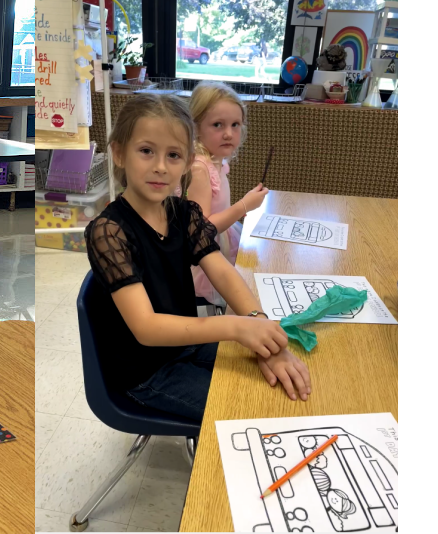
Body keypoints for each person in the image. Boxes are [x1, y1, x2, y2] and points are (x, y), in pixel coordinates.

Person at [84, 94, 310, 422]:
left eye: (173, 155)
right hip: (146, 373)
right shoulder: (108, 232)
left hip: (186, 346)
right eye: (146, 151)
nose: (161, 166)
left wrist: (259, 327)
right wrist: (235, 326)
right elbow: (146, 328)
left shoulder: (184, 214)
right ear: (119, 153)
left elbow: (222, 272)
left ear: (188, 160)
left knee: (276, 379)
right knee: (254, 409)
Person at [185, 81, 269, 308]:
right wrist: (244, 206)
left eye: (235, 125)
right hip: (204, 256)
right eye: (217, 125)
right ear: (195, 127)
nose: (228, 134)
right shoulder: (199, 169)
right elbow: (202, 230)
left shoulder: (215, 162)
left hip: (220, 241)